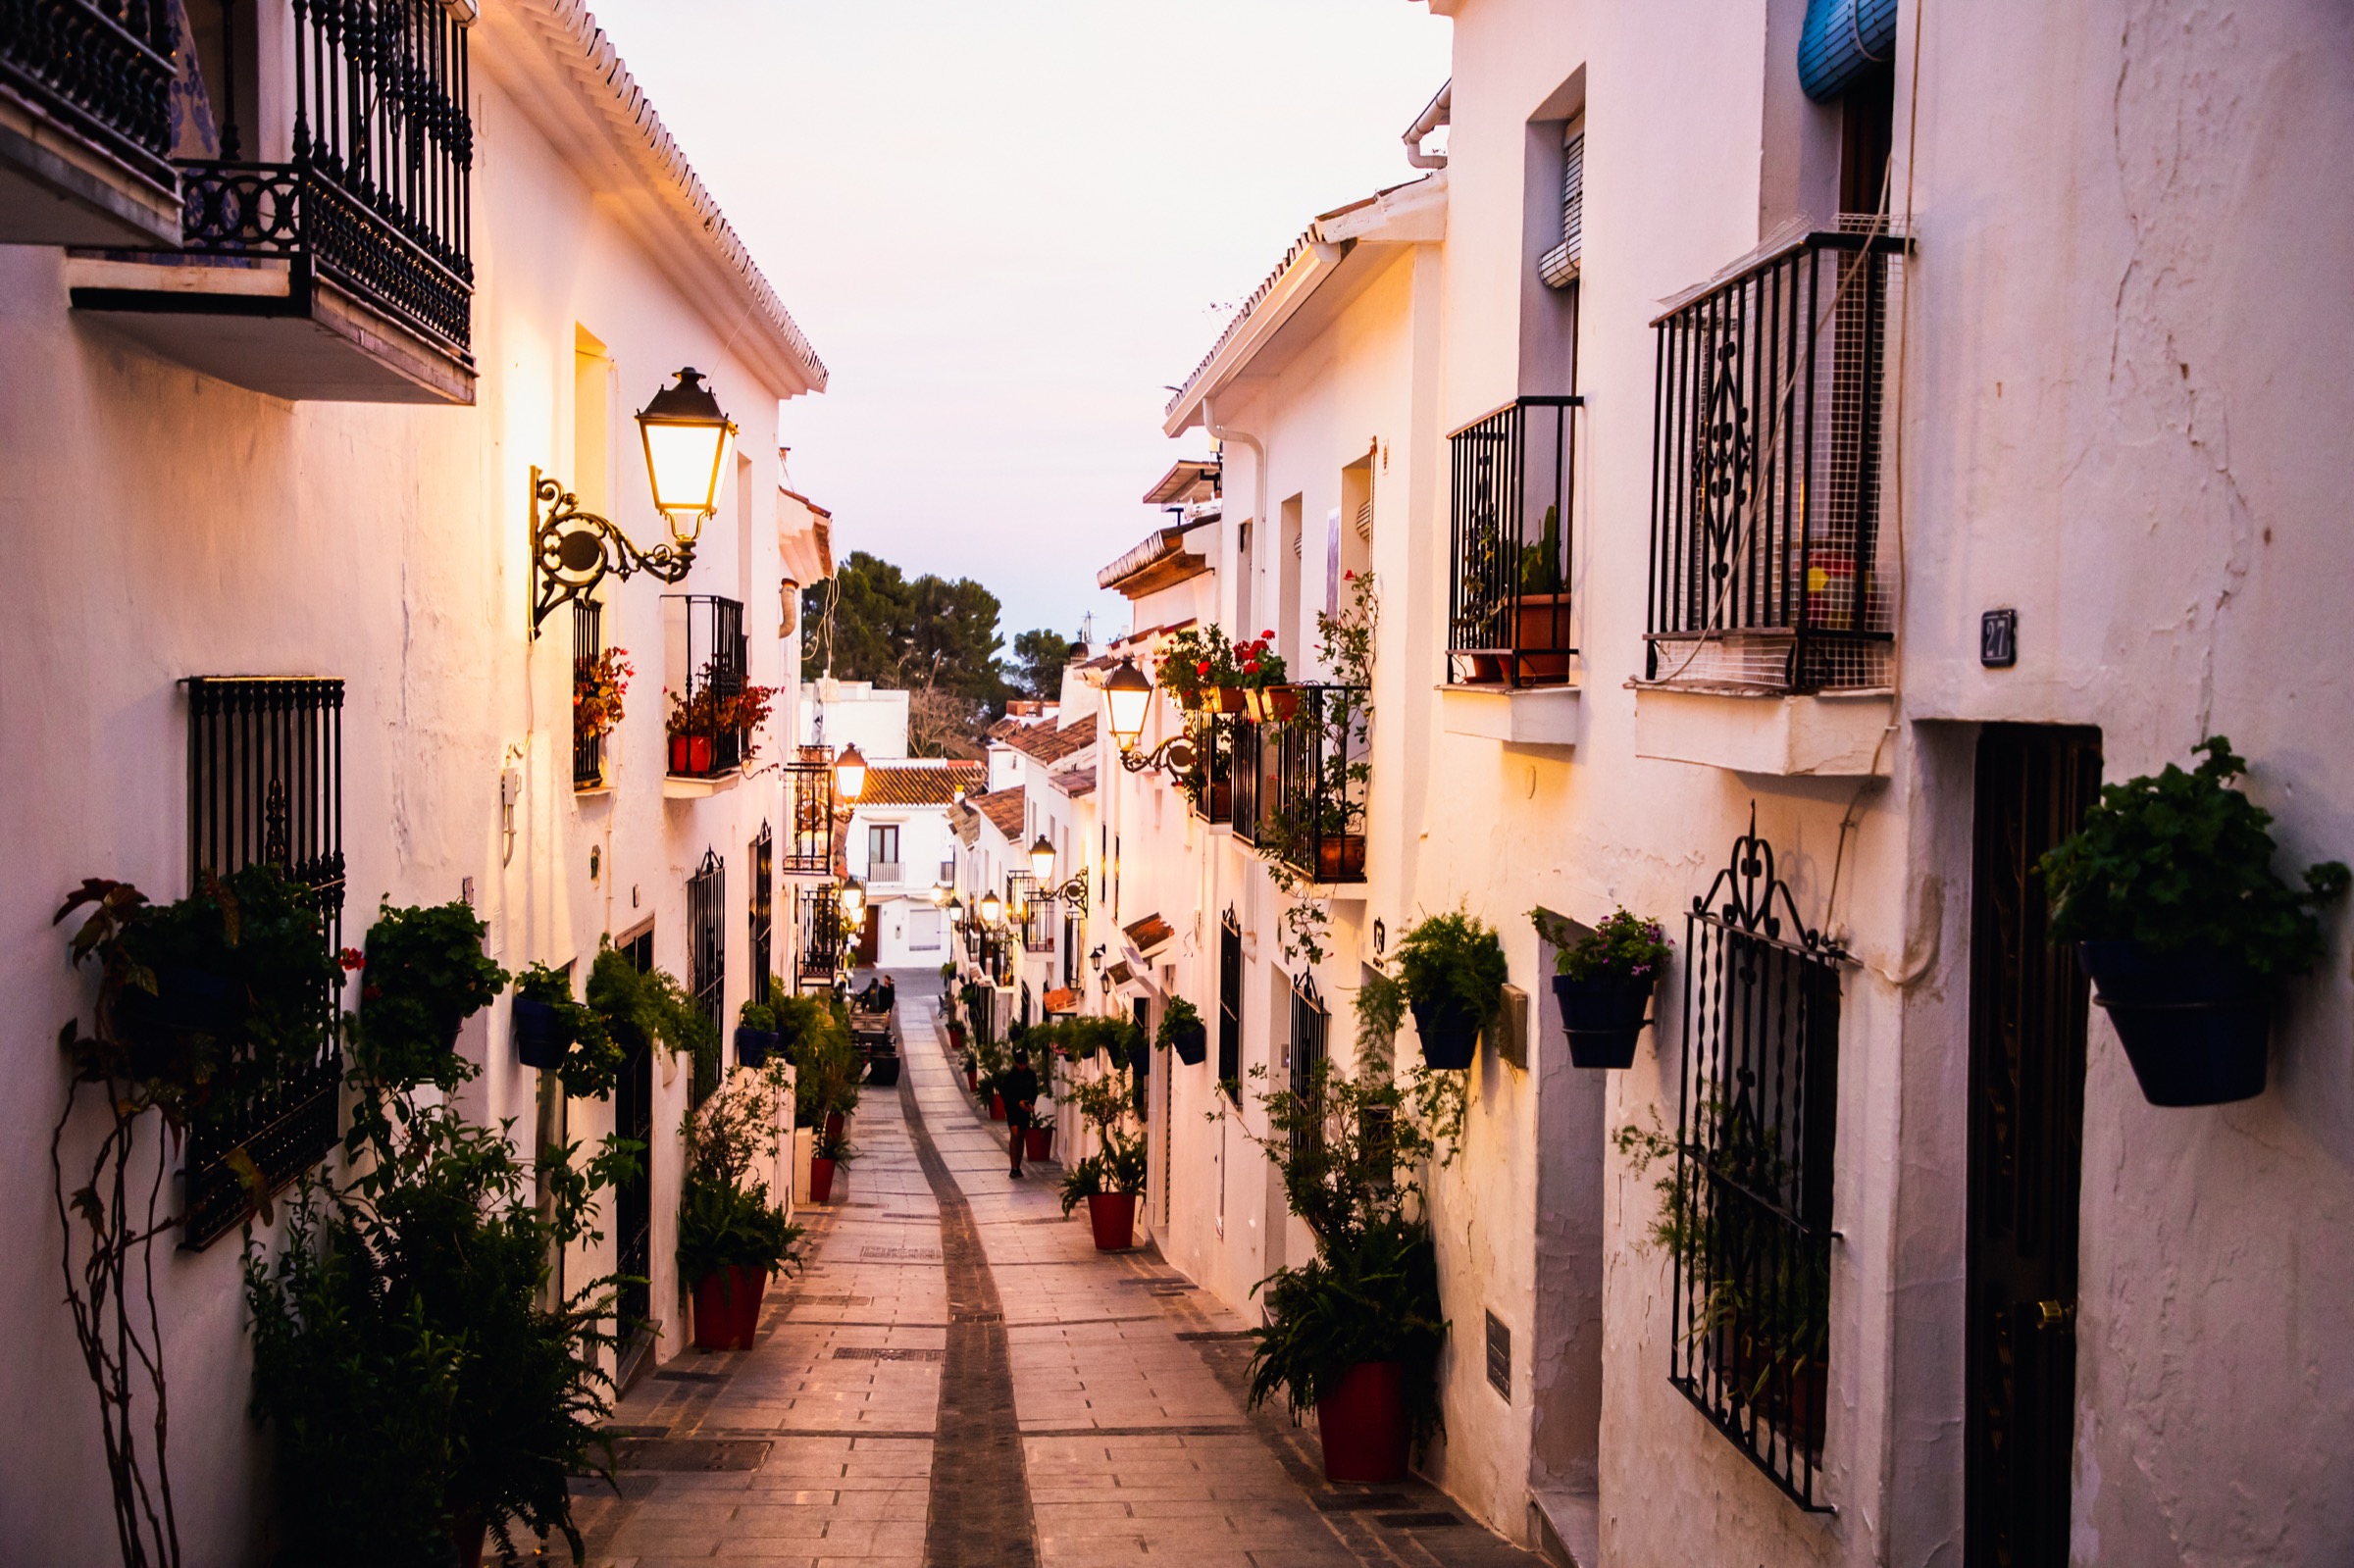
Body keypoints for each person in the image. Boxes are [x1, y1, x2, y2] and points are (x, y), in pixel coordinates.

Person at [1000, 1046, 1040, 1178]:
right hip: (1012, 1108)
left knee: (1022, 1135)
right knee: (1015, 1133)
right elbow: (1005, 1093)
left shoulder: (1031, 1075)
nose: (1022, 1066)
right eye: (1020, 1064)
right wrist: (1018, 1102)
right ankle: (1013, 1166)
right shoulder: (1010, 1076)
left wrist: (1031, 1104)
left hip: (1025, 1109)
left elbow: (1034, 1091)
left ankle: (1018, 1167)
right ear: (1016, 1063)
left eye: (1024, 1064)